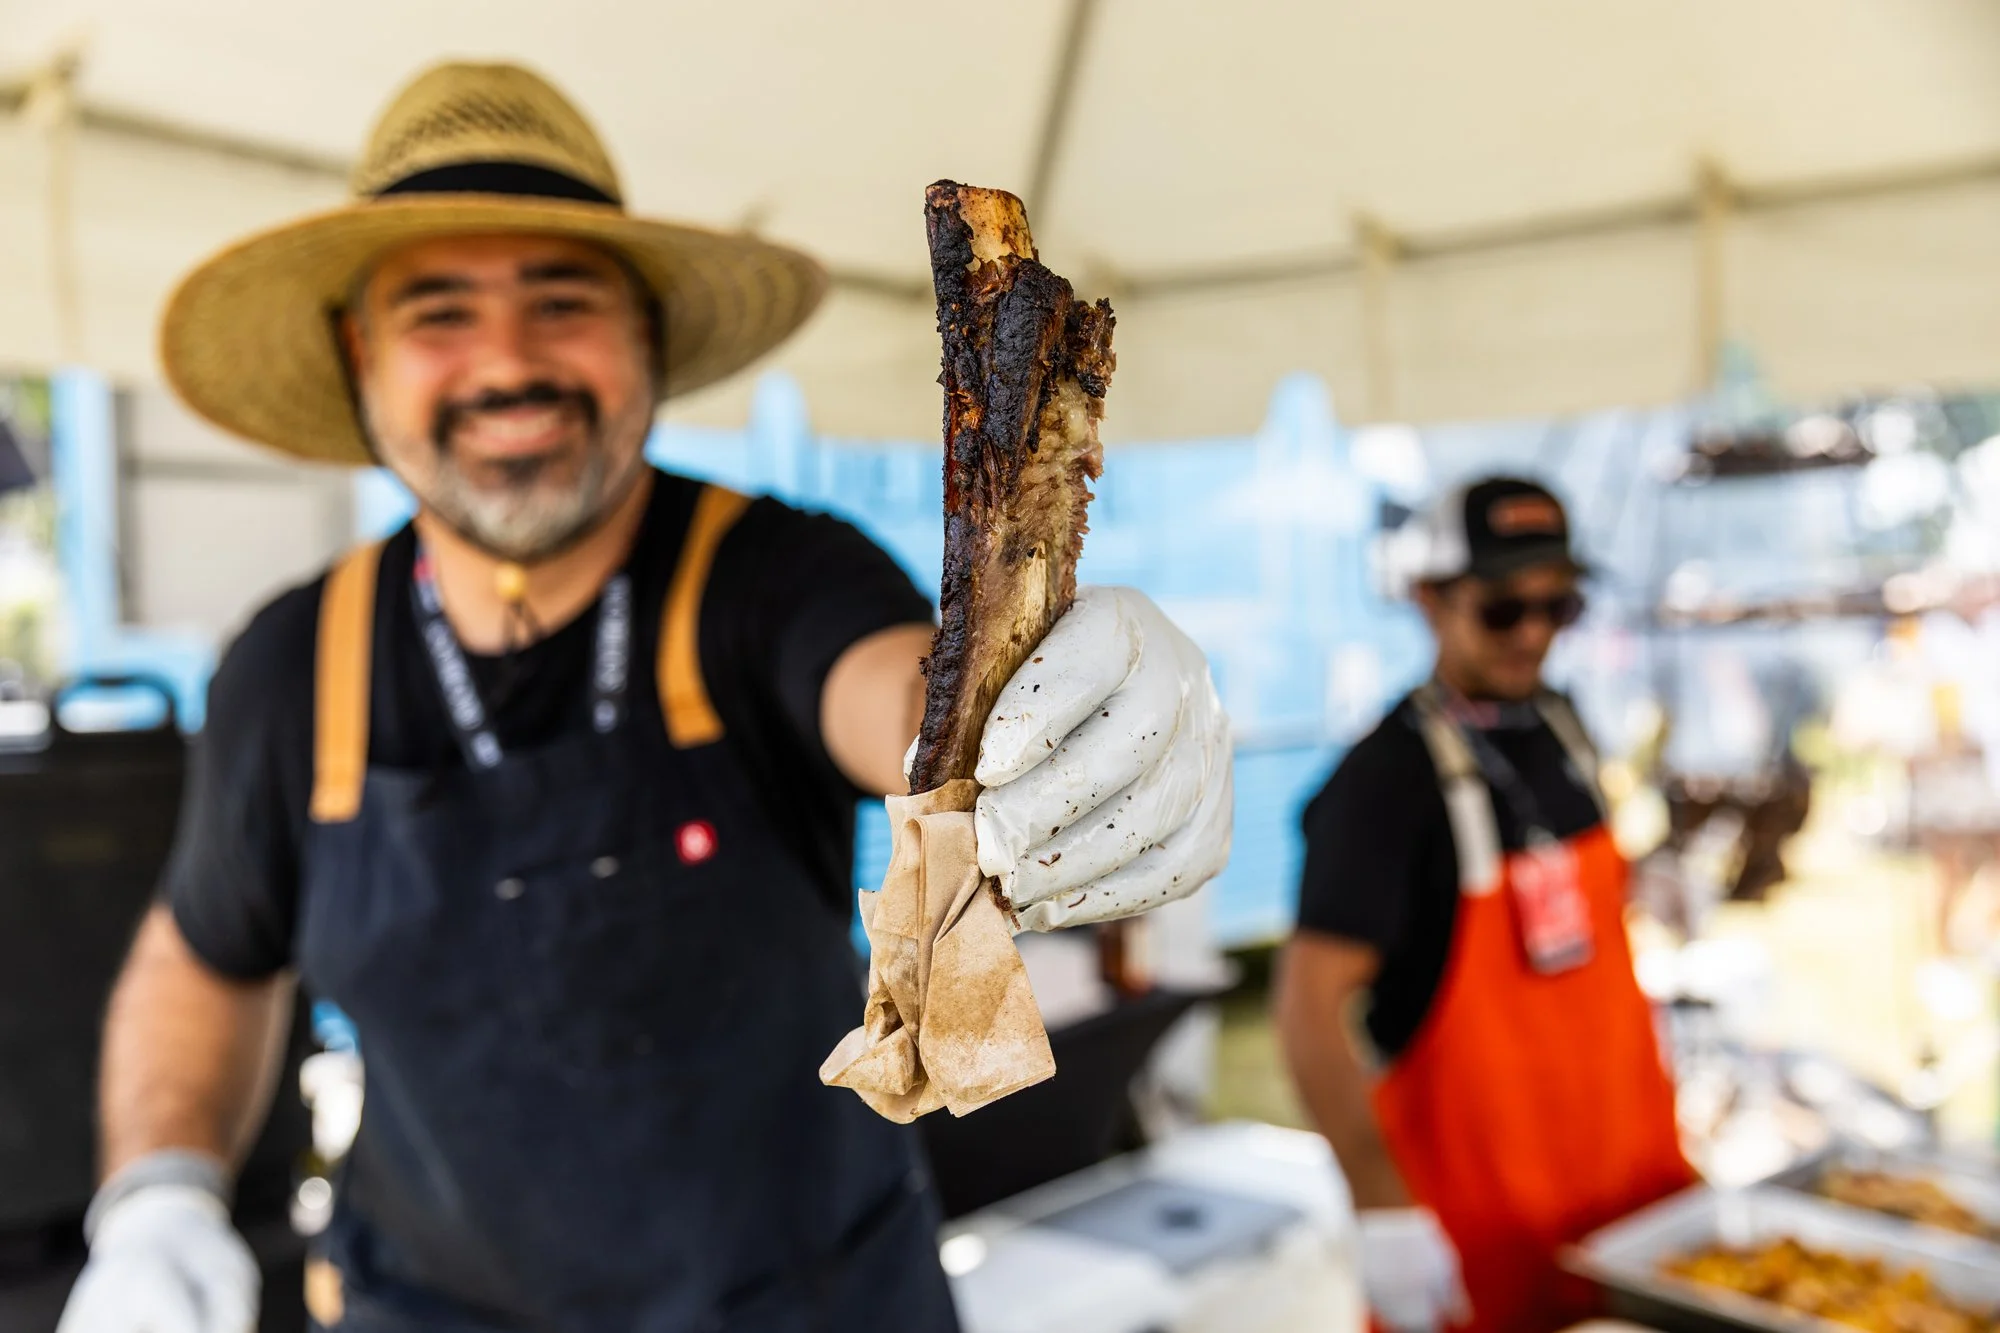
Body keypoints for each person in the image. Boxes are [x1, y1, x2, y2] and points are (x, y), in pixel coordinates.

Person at [58, 62, 1232, 1333]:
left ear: (647, 340)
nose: (506, 363)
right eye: (438, 312)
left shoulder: (776, 574)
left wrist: (1051, 727)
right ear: (361, 356)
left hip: (810, 1300)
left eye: (561, 301)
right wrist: (159, 1198)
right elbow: (204, 955)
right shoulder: (293, 665)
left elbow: (899, 701)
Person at [1275, 477, 1691, 1333]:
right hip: (1485, 1241)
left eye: (1558, 604)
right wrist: (1381, 1205)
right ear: (1429, 599)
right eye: (1504, 608)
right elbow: (1307, 1013)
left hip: (1630, 1202)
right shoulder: (1382, 782)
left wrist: (1646, 882)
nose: (1535, 631)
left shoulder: (1563, 727)